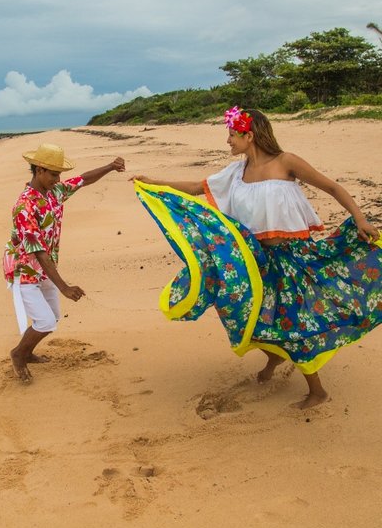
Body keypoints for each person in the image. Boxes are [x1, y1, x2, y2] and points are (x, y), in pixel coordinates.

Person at [132, 107, 381, 408]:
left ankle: (317, 391)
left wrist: (360, 219)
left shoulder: (286, 162)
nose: (228, 141)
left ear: (249, 136)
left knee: (295, 324)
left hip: (293, 258)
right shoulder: (236, 172)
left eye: (232, 135)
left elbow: (331, 187)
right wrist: (154, 183)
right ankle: (274, 358)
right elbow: (198, 188)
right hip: (258, 261)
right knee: (252, 316)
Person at [4, 143, 125, 383]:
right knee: (45, 321)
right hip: (25, 270)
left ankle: (27, 352)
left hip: (47, 269)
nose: (58, 178)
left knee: (52, 318)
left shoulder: (54, 192)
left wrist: (111, 167)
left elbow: (83, 180)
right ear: (39, 170)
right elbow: (37, 252)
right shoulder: (24, 206)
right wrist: (64, 287)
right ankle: (18, 354)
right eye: (54, 173)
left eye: (59, 174)